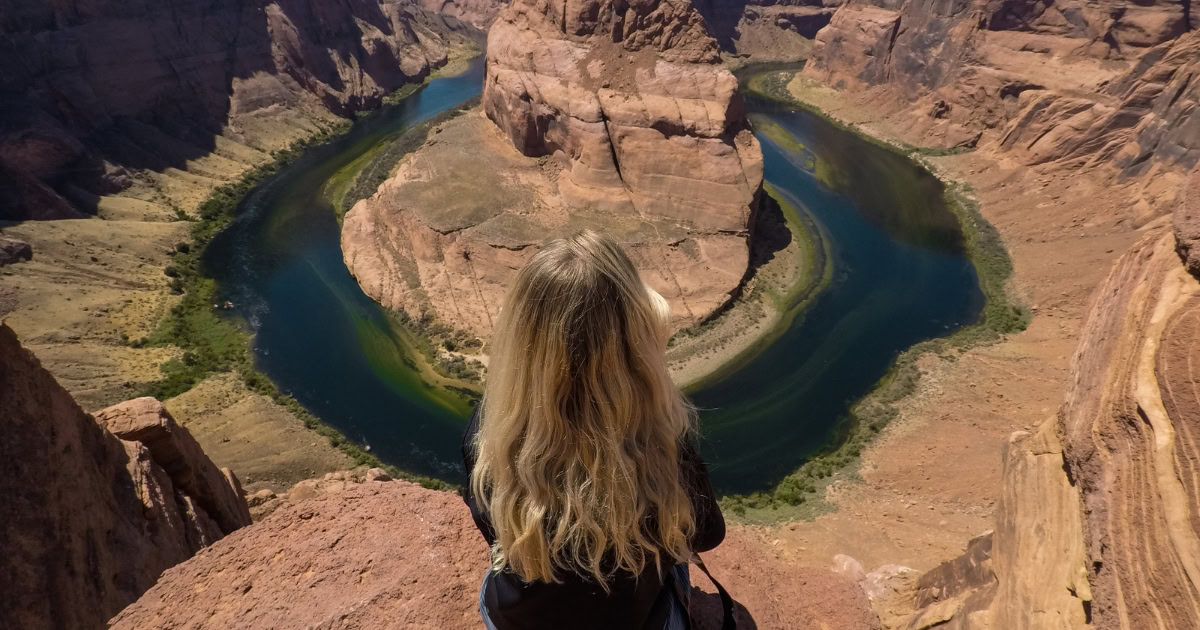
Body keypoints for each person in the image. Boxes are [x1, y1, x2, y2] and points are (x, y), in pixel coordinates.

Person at [462, 229, 726, 630]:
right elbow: (705, 536)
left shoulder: (486, 436)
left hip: (514, 619)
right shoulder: (664, 444)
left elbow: (493, 529)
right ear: (635, 337)